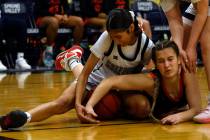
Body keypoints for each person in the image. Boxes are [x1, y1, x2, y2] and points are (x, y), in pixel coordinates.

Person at [0, 8, 154, 131]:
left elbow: (148, 79)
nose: (115, 40)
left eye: (118, 37)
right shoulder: (108, 38)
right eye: (112, 36)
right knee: (63, 103)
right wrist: (79, 104)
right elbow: (85, 74)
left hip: (122, 86)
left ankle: (73, 60)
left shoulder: (146, 47)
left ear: (131, 28)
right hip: (97, 78)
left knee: (141, 108)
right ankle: (23, 117)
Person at [84, 40, 201, 125]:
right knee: (141, 106)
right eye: (161, 61)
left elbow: (196, 109)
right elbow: (110, 81)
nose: (167, 65)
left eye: (170, 59)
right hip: (125, 95)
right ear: (155, 65)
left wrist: (178, 117)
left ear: (179, 59)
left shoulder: (187, 74)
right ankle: (75, 63)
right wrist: (89, 106)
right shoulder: (152, 80)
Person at [157, 0, 210, 124]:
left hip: (203, 5)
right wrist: (179, 48)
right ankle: (179, 103)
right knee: (174, 52)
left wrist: (191, 47)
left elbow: (202, 13)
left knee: (206, 43)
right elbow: (174, 20)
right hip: (198, 6)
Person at [34, 0, 84, 67]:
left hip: (60, 18)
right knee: (54, 22)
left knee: (79, 21)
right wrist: (54, 15)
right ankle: (48, 52)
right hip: (44, 18)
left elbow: (67, 7)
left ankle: (74, 53)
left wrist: (66, 15)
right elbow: (38, 10)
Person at [0, 0, 32, 70]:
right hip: (3, 19)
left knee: (22, 24)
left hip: (18, 19)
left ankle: (20, 59)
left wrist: (24, 17)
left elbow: (28, 8)